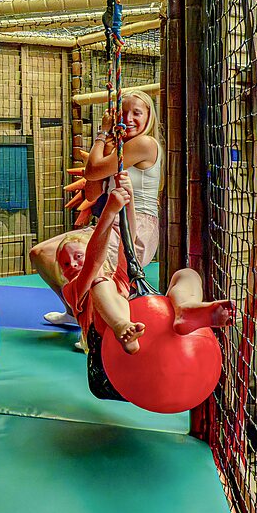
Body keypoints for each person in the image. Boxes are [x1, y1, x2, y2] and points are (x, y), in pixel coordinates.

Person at [57, 175, 233, 400]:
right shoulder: (73, 291)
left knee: (186, 274)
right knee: (100, 283)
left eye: (76, 256)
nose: (72, 264)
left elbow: (127, 243)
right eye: (65, 263)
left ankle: (185, 308)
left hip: (149, 358)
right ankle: (122, 327)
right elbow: (94, 261)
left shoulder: (118, 277)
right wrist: (109, 213)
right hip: (105, 372)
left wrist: (129, 202)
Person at [31, 89, 163, 329]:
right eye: (123, 113)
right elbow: (92, 192)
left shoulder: (144, 144)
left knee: (97, 272)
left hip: (135, 225)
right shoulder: (118, 149)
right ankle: (75, 311)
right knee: (40, 253)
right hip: (109, 219)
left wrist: (102, 135)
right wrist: (106, 143)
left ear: (148, 118)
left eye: (137, 113)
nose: (129, 118)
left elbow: (92, 171)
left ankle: (99, 326)